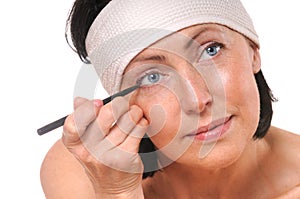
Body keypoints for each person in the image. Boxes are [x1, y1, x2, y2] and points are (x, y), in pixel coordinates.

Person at [40, 0, 300, 198]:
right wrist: (117, 192)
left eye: (210, 50)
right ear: (124, 101)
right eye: (152, 77)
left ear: (253, 51)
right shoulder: (83, 171)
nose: (198, 100)